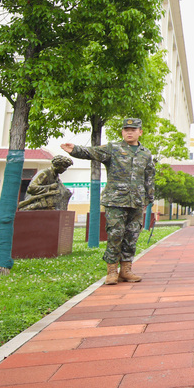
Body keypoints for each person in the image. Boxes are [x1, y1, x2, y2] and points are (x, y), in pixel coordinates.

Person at [62, 118, 155, 285]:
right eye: (126, 129)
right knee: (115, 234)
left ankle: (126, 270)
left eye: (133, 130)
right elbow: (92, 152)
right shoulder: (113, 148)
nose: (129, 132)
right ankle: (112, 271)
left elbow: (149, 177)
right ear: (122, 132)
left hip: (136, 201)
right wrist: (75, 149)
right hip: (115, 200)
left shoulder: (146, 153)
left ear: (140, 132)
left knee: (132, 235)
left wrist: (149, 197)